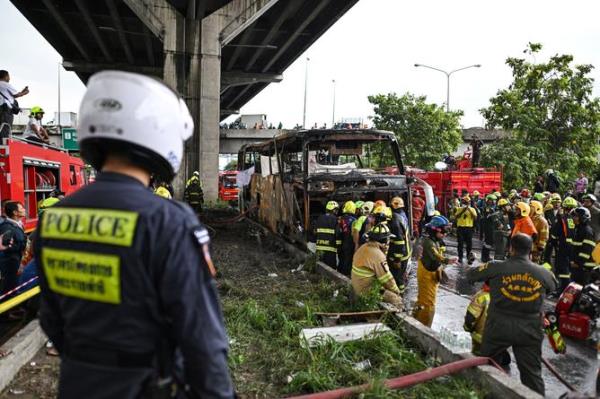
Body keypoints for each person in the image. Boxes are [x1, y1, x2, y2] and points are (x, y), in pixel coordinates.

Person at [35, 71, 234, 398]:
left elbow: (50, 316)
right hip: (144, 386)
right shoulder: (168, 222)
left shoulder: (54, 218)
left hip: (77, 384)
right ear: (160, 133)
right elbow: (202, 340)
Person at [467, 234, 557, 396]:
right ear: (530, 251)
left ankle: (482, 393)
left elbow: (471, 275)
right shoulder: (544, 273)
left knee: (486, 366)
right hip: (529, 330)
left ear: (510, 248)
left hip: (498, 326)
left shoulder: (496, 266)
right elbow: (552, 287)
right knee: (532, 376)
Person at [413, 215, 457, 327]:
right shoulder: (428, 242)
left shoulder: (434, 240)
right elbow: (435, 255)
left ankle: (415, 320)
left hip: (430, 274)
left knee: (422, 300)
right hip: (427, 275)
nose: (445, 234)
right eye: (444, 231)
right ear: (435, 230)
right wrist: (448, 260)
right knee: (428, 304)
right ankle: (423, 328)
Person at [351, 223, 402, 309]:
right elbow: (387, 280)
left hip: (357, 287)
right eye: (388, 240)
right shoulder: (378, 255)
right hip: (365, 291)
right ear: (384, 241)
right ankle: (395, 320)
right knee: (396, 299)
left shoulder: (363, 247)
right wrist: (397, 292)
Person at [0, 201, 27, 296]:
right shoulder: (7, 227)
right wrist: (24, 247)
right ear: (15, 213)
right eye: (22, 208)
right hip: (10, 263)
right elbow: (5, 246)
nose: (24, 209)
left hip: (16, 260)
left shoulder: (17, 223)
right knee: (9, 287)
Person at [387, 196, 412, 292]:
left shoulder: (395, 218)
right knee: (400, 276)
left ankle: (400, 296)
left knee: (397, 278)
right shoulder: (402, 214)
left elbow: (399, 241)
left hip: (400, 254)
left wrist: (397, 259)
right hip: (406, 252)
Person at [570, 207, 596, 286]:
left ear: (583, 218)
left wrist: (578, 263)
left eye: (576, 216)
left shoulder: (587, 231)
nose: (573, 218)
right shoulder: (578, 229)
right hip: (579, 266)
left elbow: (587, 250)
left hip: (585, 267)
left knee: (581, 290)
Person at [0, 70, 29, 139]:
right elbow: (16, 95)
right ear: (5, 76)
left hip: (1, 109)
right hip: (6, 110)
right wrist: (25, 92)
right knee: (5, 129)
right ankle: (3, 145)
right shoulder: (5, 84)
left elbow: (11, 95)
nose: (9, 78)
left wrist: (22, 91)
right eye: (9, 76)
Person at [315, 201, 340, 269]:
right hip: (330, 249)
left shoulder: (320, 218)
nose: (337, 211)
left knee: (319, 268)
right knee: (331, 269)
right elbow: (338, 234)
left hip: (319, 248)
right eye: (336, 209)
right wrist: (338, 246)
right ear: (334, 210)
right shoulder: (335, 219)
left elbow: (315, 232)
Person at [453, 195, 477, 264]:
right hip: (460, 228)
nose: (465, 203)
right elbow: (457, 216)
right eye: (464, 202)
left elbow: (475, 218)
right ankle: (460, 257)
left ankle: (468, 257)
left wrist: (469, 209)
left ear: (469, 203)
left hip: (469, 228)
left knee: (469, 244)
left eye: (467, 202)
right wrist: (463, 210)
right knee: (460, 243)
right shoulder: (459, 208)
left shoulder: (472, 209)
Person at [337, 201, 357, 276]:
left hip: (340, 242)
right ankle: (345, 276)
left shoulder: (339, 218)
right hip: (349, 243)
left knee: (341, 259)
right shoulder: (354, 220)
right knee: (348, 261)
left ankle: (338, 273)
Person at [480, 194, 497, 262]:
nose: (492, 202)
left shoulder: (493, 207)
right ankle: (485, 257)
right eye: (491, 200)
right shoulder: (487, 208)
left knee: (489, 242)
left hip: (491, 226)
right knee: (488, 241)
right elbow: (488, 216)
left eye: (493, 200)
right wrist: (492, 212)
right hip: (488, 226)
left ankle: (486, 256)